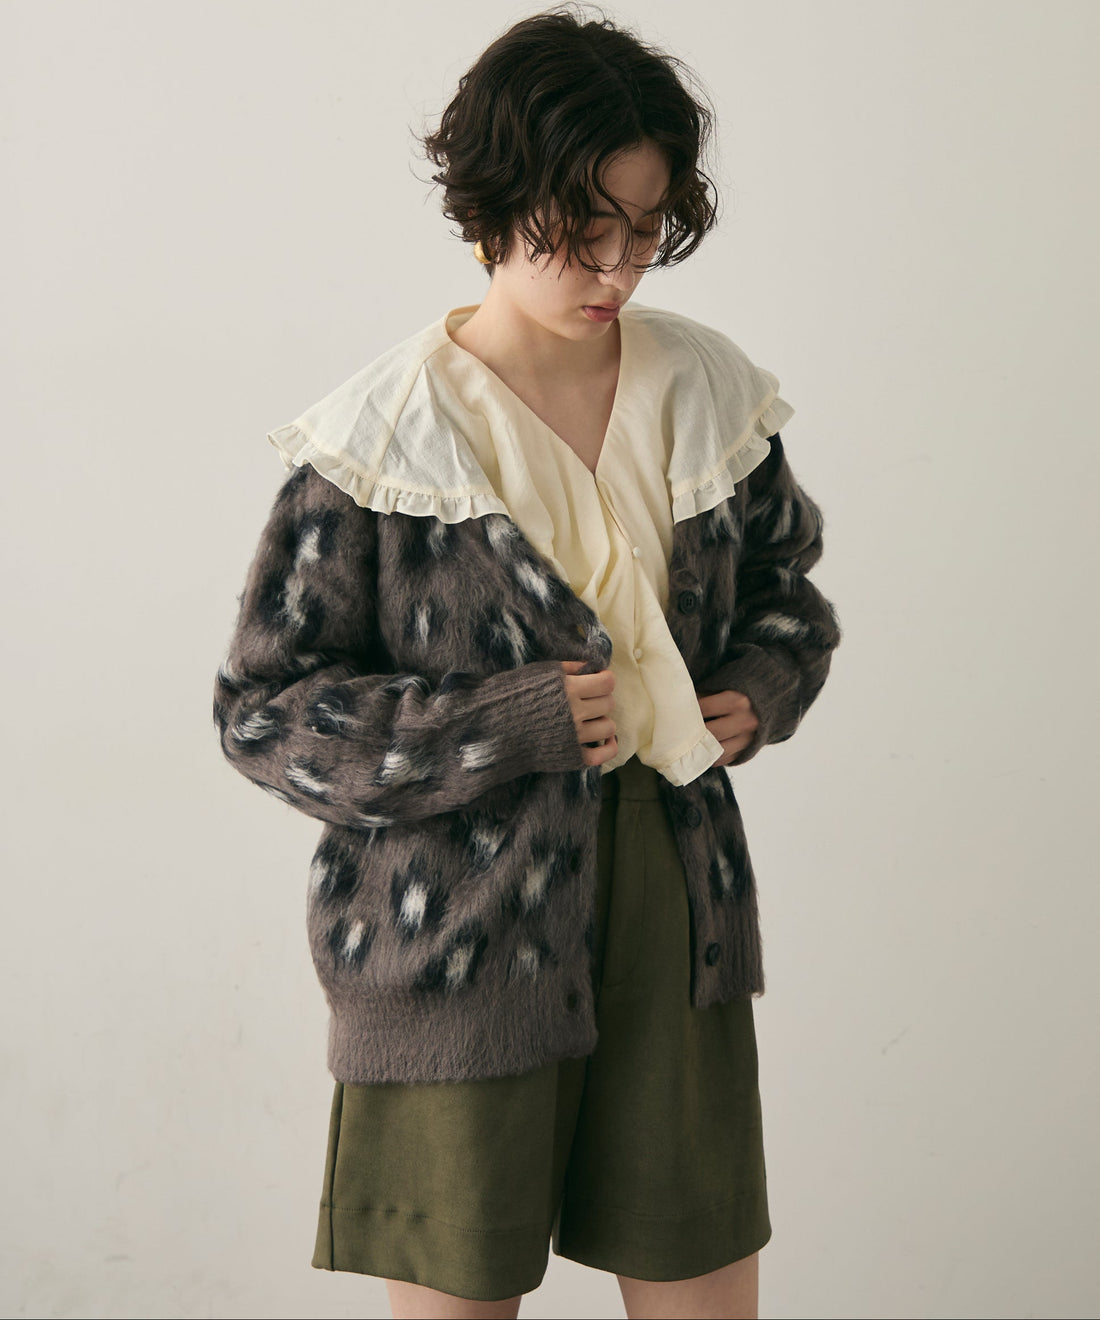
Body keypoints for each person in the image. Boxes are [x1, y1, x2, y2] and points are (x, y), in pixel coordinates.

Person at [212, 5, 842, 1318]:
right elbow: (265, 714)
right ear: (495, 206)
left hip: (674, 897)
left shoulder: (707, 391)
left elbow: (788, 589)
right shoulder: (381, 440)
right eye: (581, 230)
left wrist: (762, 686)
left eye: (646, 227)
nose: (616, 267)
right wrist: (506, 723)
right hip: (453, 930)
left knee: (701, 1281)